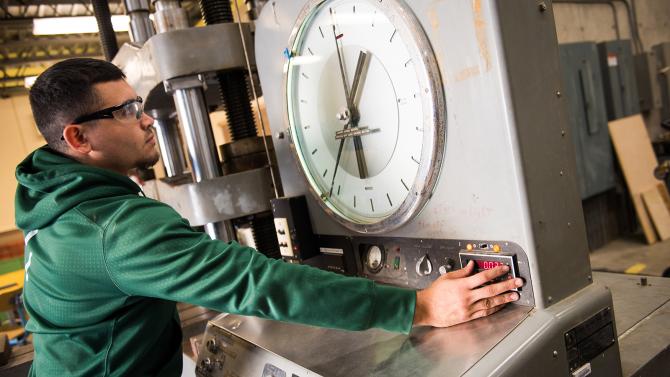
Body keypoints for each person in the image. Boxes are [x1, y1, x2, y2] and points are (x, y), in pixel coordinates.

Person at [15, 58, 522, 376]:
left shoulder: (55, 199)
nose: (147, 117)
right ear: (78, 138)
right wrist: (417, 309)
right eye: (124, 111)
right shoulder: (111, 229)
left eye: (137, 103)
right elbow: (254, 282)